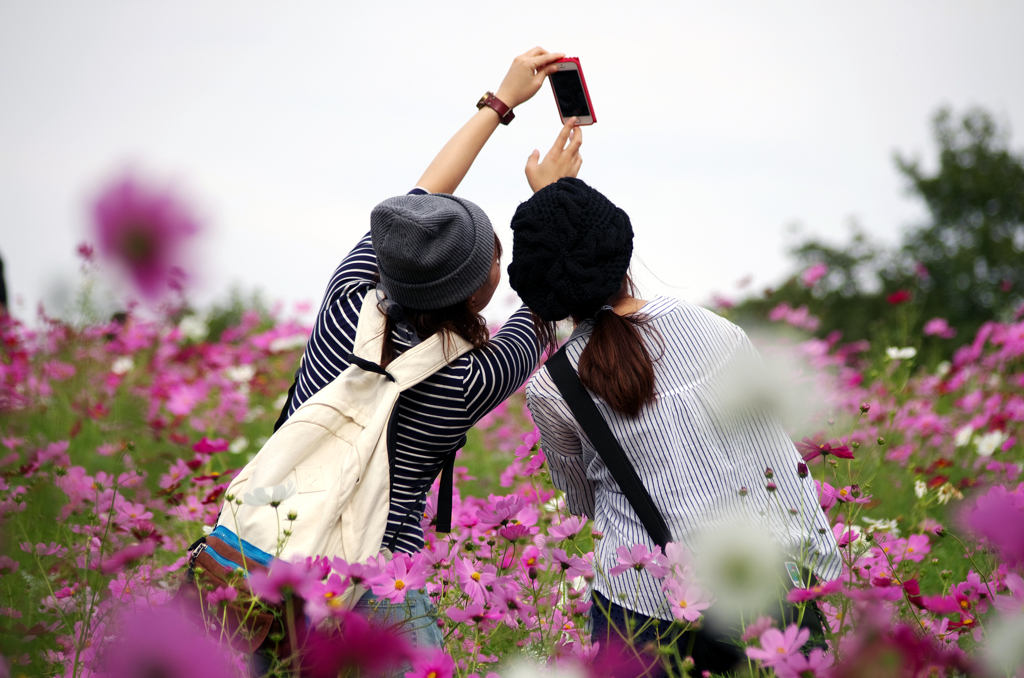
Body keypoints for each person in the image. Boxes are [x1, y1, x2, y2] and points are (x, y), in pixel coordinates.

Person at [269, 47, 583, 656]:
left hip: (275, 553)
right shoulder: (468, 378)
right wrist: (554, 200)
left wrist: (500, 101)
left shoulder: (349, 300)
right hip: (378, 583)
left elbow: (418, 200)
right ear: (484, 287)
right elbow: (547, 306)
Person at [506, 177, 842, 675]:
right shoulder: (717, 330)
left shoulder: (551, 388)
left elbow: (583, 506)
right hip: (757, 589)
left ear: (539, 292)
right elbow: (780, 466)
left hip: (639, 609)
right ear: (622, 248)